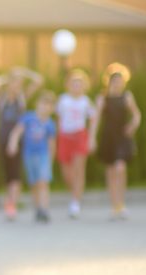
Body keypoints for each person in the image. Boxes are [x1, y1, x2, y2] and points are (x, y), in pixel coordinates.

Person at [0, 67, 44, 220]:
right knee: (7, 174)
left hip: (19, 141)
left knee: (15, 173)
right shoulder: (1, 99)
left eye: (18, 83)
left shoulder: (22, 98)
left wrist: (24, 72)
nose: (16, 85)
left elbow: (38, 80)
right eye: (13, 82)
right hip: (2, 140)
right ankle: (9, 202)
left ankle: (12, 204)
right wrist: (8, 77)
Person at [93, 63, 141, 220]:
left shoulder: (127, 96)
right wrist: (91, 138)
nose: (117, 83)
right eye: (115, 81)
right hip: (108, 137)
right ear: (109, 81)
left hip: (122, 137)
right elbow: (96, 119)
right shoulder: (103, 98)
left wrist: (132, 126)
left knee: (120, 168)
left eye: (120, 81)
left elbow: (136, 115)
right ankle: (115, 206)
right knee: (110, 172)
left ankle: (122, 203)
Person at [7, 90, 57, 223]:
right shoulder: (28, 117)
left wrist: (51, 159)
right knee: (34, 183)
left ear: (52, 109)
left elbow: (52, 143)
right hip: (29, 155)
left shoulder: (50, 124)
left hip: (43, 155)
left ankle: (44, 209)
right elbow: (17, 131)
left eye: (48, 105)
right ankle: (37, 208)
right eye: (43, 104)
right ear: (37, 104)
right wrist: (13, 143)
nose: (45, 107)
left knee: (43, 182)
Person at [56, 69, 98, 218]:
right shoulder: (63, 100)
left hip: (80, 136)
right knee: (67, 173)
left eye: (79, 84)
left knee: (78, 170)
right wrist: (58, 138)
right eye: (74, 83)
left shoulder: (86, 101)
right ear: (68, 85)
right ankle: (74, 193)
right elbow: (58, 119)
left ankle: (75, 203)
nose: (76, 86)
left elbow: (93, 119)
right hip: (65, 137)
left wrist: (92, 138)